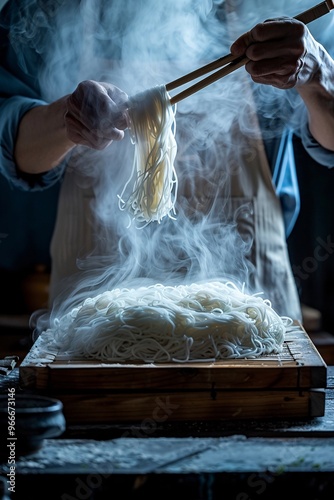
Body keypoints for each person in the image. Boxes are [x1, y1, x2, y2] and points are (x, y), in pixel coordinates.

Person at [0, 0, 333, 322]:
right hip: (95, 312)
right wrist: (66, 118)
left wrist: (318, 73)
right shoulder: (48, 6)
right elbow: (14, 148)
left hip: (250, 301)